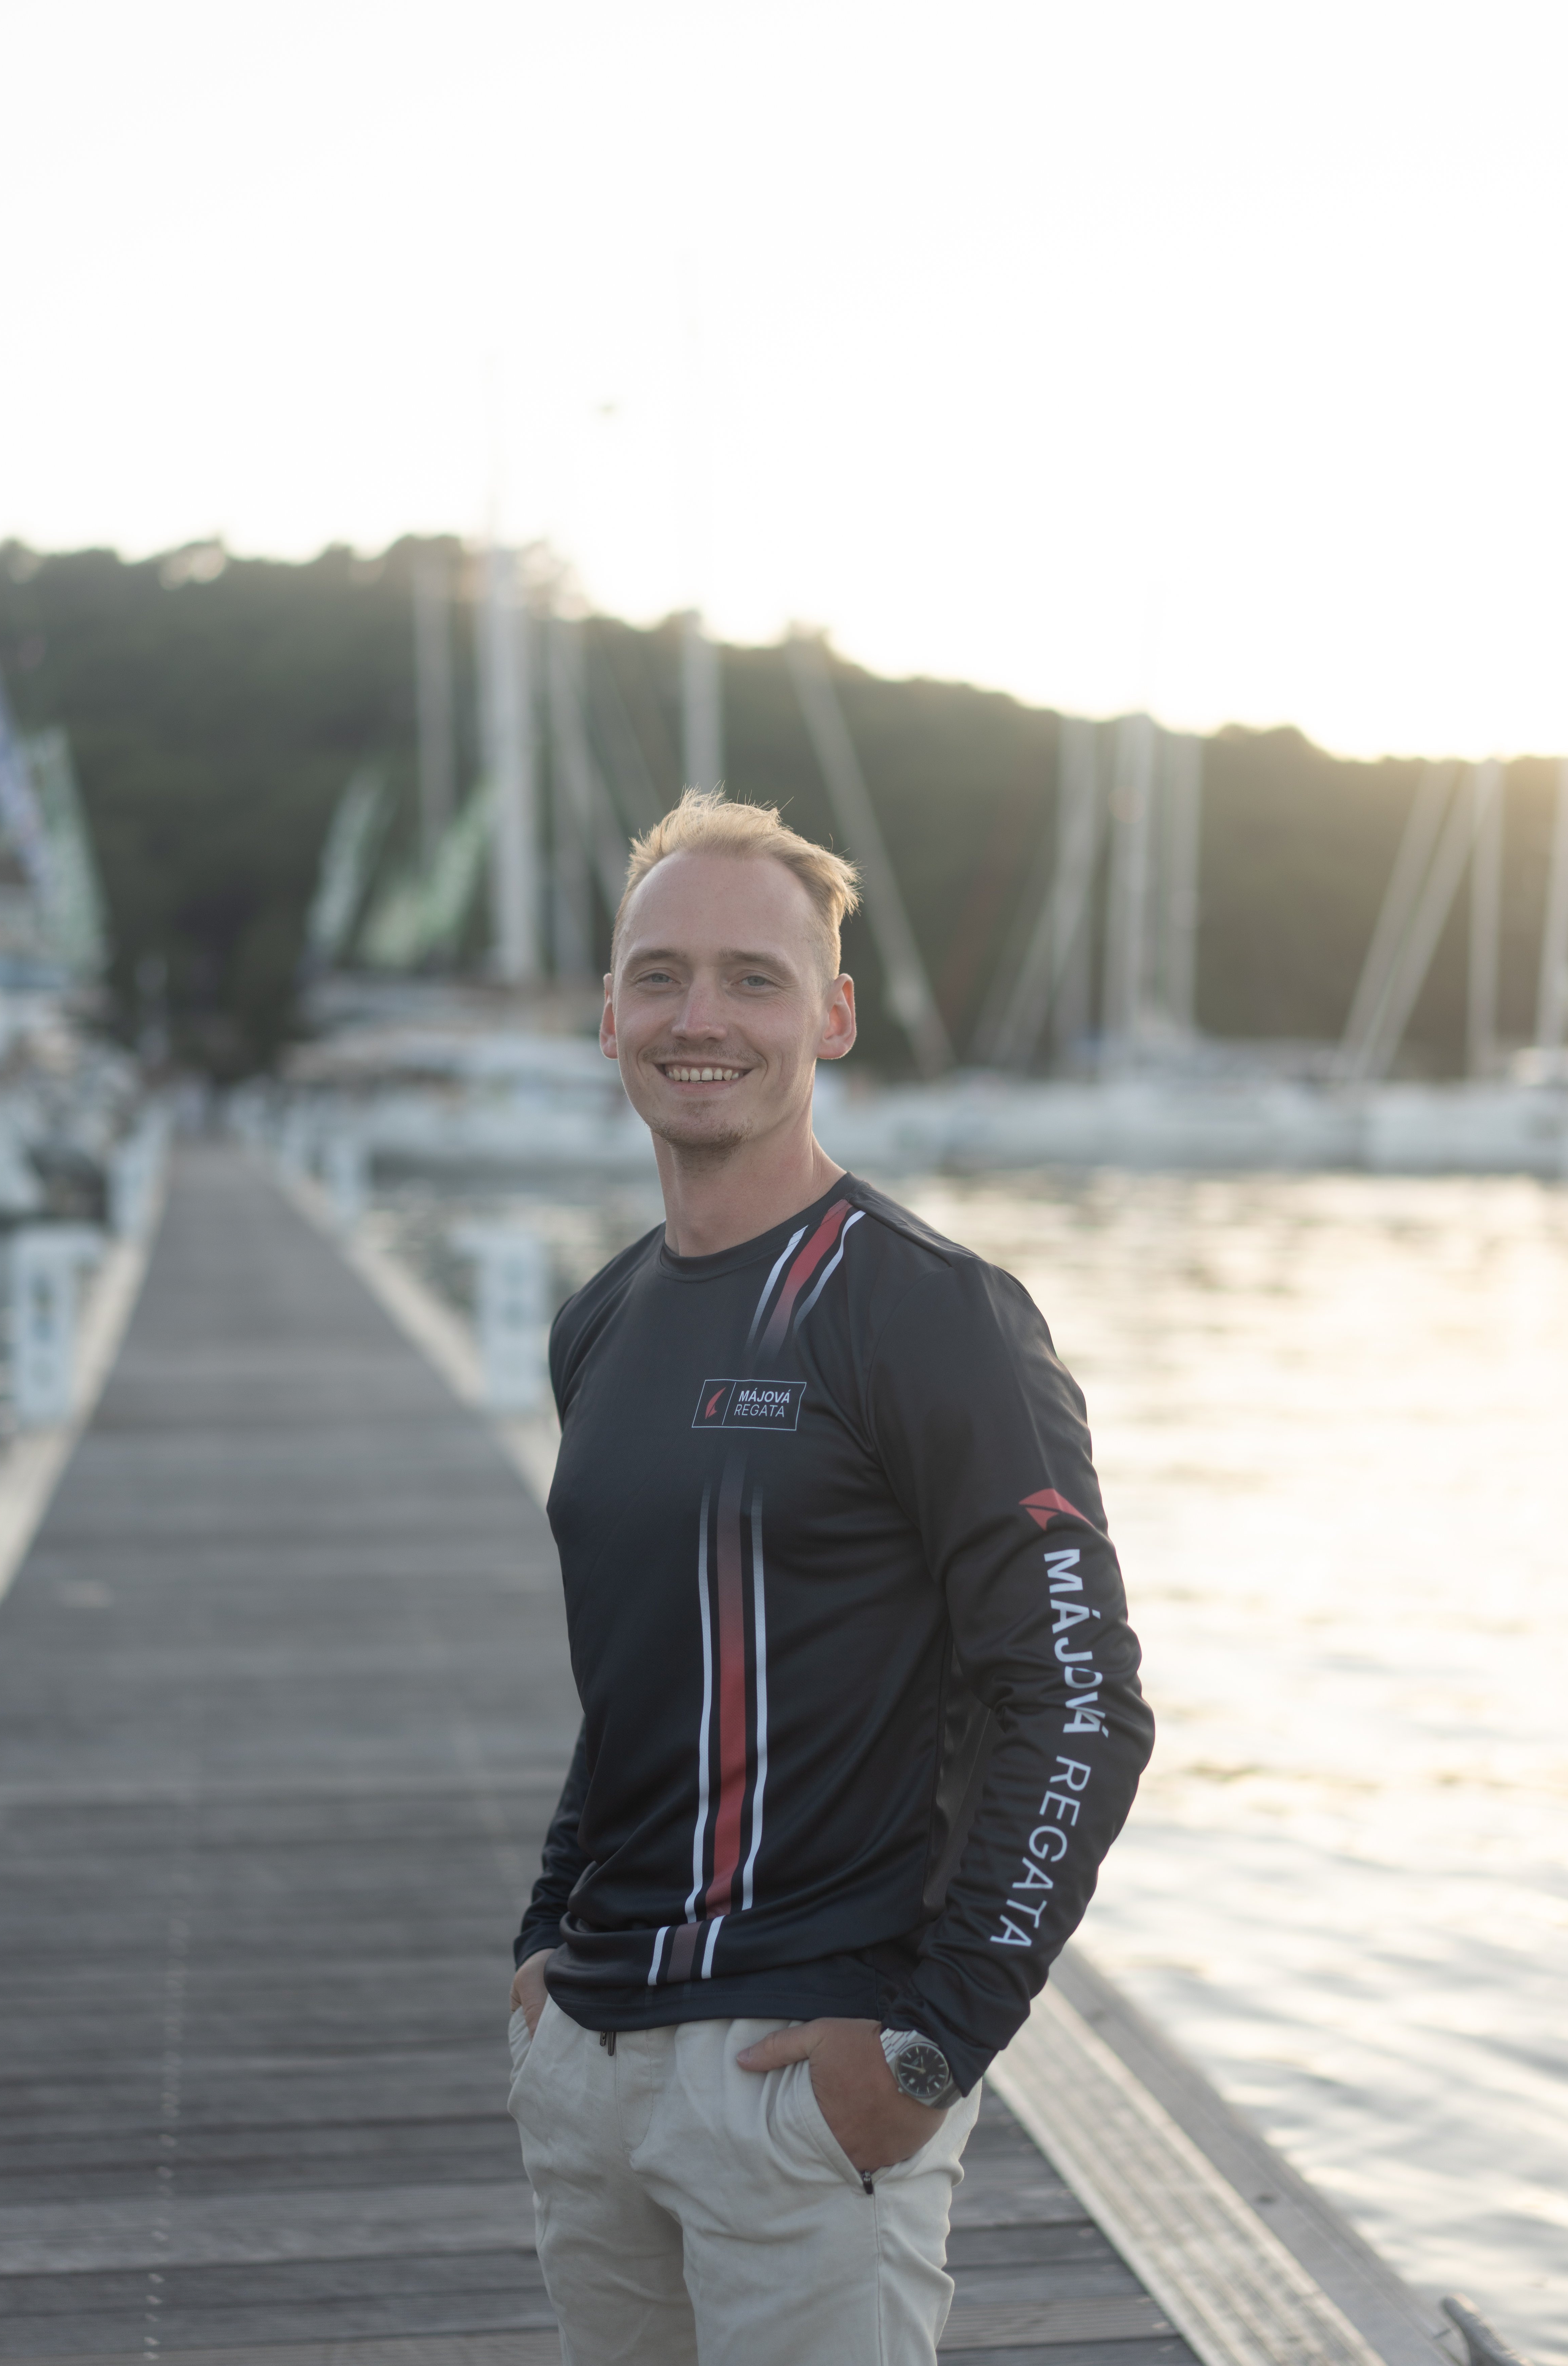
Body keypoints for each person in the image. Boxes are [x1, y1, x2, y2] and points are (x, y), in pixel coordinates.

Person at [508, 789, 1153, 2365]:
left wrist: (932, 2046)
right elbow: (637, 1676)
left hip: (797, 2080)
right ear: (608, 1016)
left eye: (754, 978)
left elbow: (1079, 1702)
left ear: (833, 1015)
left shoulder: (928, 1314)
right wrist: (541, 1938)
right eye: (659, 977)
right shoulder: (601, 1322)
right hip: (593, 2061)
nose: (699, 1018)